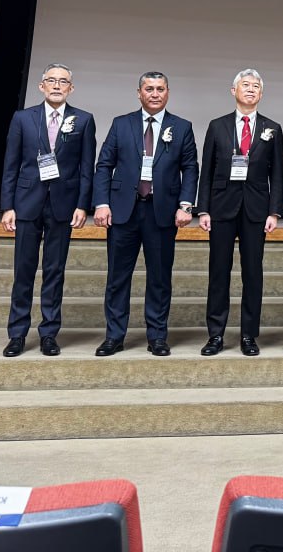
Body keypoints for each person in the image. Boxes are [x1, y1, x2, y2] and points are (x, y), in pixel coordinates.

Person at [92, 71, 198, 357]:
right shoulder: (121, 124)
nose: (155, 94)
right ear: (139, 93)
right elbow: (104, 165)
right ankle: (114, 336)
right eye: (149, 89)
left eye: (160, 89)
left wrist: (186, 205)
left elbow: (190, 168)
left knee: (160, 278)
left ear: (168, 93)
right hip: (123, 212)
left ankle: (157, 336)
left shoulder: (182, 127)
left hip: (161, 212)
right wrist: (101, 203)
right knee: (117, 277)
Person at [0, 63, 96, 357]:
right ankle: (17, 334)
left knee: (55, 271)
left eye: (63, 81)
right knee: (23, 270)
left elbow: (86, 168)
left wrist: (82, 204)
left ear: (71, 88)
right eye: (51, 80)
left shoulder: (83, 120)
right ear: (41, 86)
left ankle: (49, 333)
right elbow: (11, 165)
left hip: (63, 206)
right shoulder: (22, 118)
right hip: (27, 203)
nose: (56, 85)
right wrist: (8, 206)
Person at [196, 68, 283, 357]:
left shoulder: (272, 128)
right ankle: (215, 335)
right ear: (233, 91)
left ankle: (248, 335)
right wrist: (203, 209)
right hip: (221, 207)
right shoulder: (217, 125)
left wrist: (274, 212)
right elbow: (206, 171)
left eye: (256, 86)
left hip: (256, 209)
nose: (250, 89)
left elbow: (277, 174)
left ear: (261, 93)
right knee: (218, 271)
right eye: (245, 85)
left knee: (253, 273)